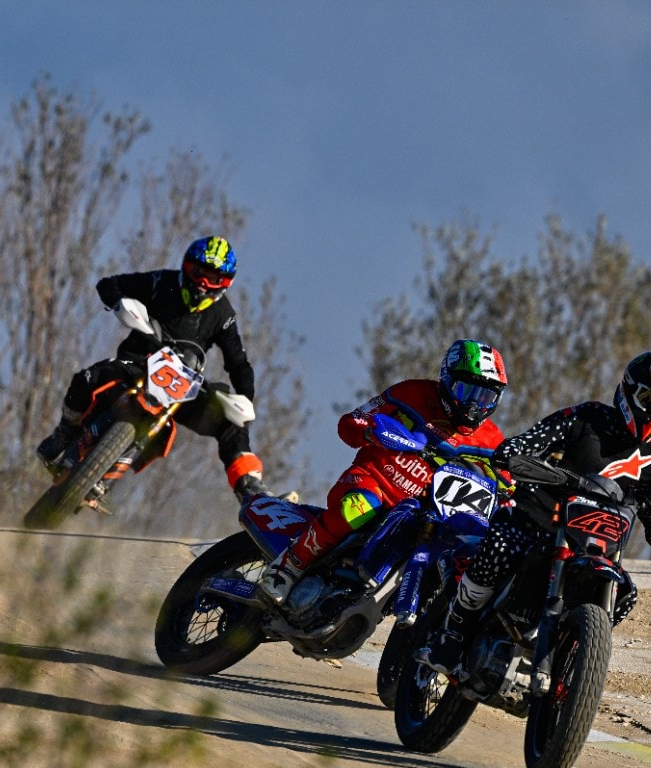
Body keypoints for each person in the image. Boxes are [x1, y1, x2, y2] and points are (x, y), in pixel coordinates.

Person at [417, 334, 651, 678]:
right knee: (502, 546)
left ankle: (572, 665)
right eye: (650, 399)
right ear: (629, 391)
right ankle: (452, 634)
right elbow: (534, 439)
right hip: (535, 521)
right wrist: (516, 452)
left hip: (595, 547)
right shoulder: (587, 417)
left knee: (626, 593)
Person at [258, 339, 510, 605]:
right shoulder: (411, 393)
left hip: (424, 510)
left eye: (485, 396)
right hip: (372, 480)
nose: (474, 405)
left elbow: (507, 482)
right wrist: (368, 431)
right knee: (359, 506)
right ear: (447, 380)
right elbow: (351, 421)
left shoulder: (492, 439)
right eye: (467, 391)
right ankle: (287, 567)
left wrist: (511, 495)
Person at [35, 236, 272, 501]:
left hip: (182, 386)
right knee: (86, 378)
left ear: (225, 284)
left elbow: (238, 362)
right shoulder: (161, 282)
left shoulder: (223, 315)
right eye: (199, 273)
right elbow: (109, 284)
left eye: (213, 278)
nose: (203, 284)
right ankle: (65, 430)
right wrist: (119, 303)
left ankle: (249, 489)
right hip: (138, 363)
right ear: (186, 267)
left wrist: (245, 398)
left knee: (232, 423)